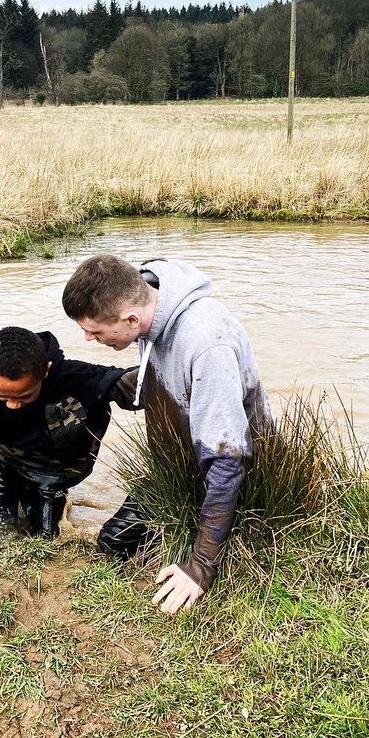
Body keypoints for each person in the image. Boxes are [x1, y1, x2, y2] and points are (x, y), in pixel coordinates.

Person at [62, 255, 270, 616]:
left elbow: (227, 463)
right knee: (112, 543)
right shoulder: (149, 308)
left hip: (230, 475)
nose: (87, 338)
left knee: (120, 544)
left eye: (94, 331)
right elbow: (149, 386)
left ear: (130, 319)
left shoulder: (206, 344)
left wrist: (201, 566)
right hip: (177, 469)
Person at [0, 326, 136, 545]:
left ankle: (54, 499)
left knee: (45, 539)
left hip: (53, 472)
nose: (13, 405)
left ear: (46, 370)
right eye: (2, 396)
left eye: (25, 395)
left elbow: (139, 382)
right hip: (1, 458)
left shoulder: (78, 378)